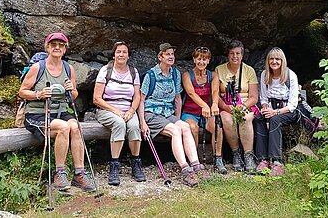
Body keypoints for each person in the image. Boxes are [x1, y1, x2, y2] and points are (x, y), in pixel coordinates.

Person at [19, 32, 95, 192]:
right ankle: (59, 173)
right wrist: (39, 94)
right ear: (47, 47)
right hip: (37, 114)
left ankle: (79, 173)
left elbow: (73, 96)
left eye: (61, 45)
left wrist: (71, 90)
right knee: (63, 127)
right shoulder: (37, 68)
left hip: (60, 111)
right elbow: (22, 92)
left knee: (75, 126)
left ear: (65, 49)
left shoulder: (68, 69)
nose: (57, 47)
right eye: (53, 44)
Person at [139, 43, 203, 187]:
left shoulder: (175, 74)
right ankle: (186, 169)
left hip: (168, 113)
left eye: (172, 54)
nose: (171, 57)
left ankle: (195, 164)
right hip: (152, 113)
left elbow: (177, 99)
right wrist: (142, 122)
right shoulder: (151, 75)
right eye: (167, 54)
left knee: (185, 127)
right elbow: (141, 101)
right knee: (176, 130)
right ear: (160, 57)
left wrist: (178, 119)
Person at [93, 41, 146, 186]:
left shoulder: (133, 72)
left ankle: (136, 162)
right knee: (119, 124)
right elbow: (96, 98)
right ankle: (114, 165)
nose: (121, 54)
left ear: (128, 55)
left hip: (127, 110)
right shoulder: (105, 70)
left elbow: (137, 97)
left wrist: (131, 111)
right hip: (107, 109)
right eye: (118, 52)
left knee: (135, 126)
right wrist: (116, 111)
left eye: (124, 52)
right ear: (114, 54)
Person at [181, 46, 227, 174]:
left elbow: (215, 91)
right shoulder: (187, 75)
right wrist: (204, 106)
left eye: (204, 60)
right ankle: (194, 159)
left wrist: (214, 104)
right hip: (190, 112)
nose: (201, 62)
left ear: (208, 61)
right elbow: (191, 93)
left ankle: (218, 158)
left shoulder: (212, 75)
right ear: (194, 60)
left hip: (207, 113)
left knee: (217, 127)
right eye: (199, 59)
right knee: (193, 128)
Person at [254, 47, 299, 176]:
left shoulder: (291, 76)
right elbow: (263, 97)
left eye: (277, 59)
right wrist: (265, 108)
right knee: (259, 118)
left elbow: (292, 105)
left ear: (282, 61)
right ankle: (262, 159)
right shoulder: (264, 75)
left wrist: (275, 112)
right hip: (271, 108)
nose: (274, 62)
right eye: (271, 59)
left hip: (287, 110)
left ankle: (276, 161)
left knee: (275, 120)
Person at [216, 40, 258, 173]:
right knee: (227, 120)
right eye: (232, 53)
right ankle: (236, 153)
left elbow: (254, 97)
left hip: (245, 103)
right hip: (226, 104)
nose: (235, 56)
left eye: (238, 53)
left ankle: (248, 155)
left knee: (244, 118)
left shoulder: (249, 70)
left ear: (242, 55)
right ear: (228, 55)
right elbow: (215, 95)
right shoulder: (219, 70)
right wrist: (227, 108)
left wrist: (242, 106)